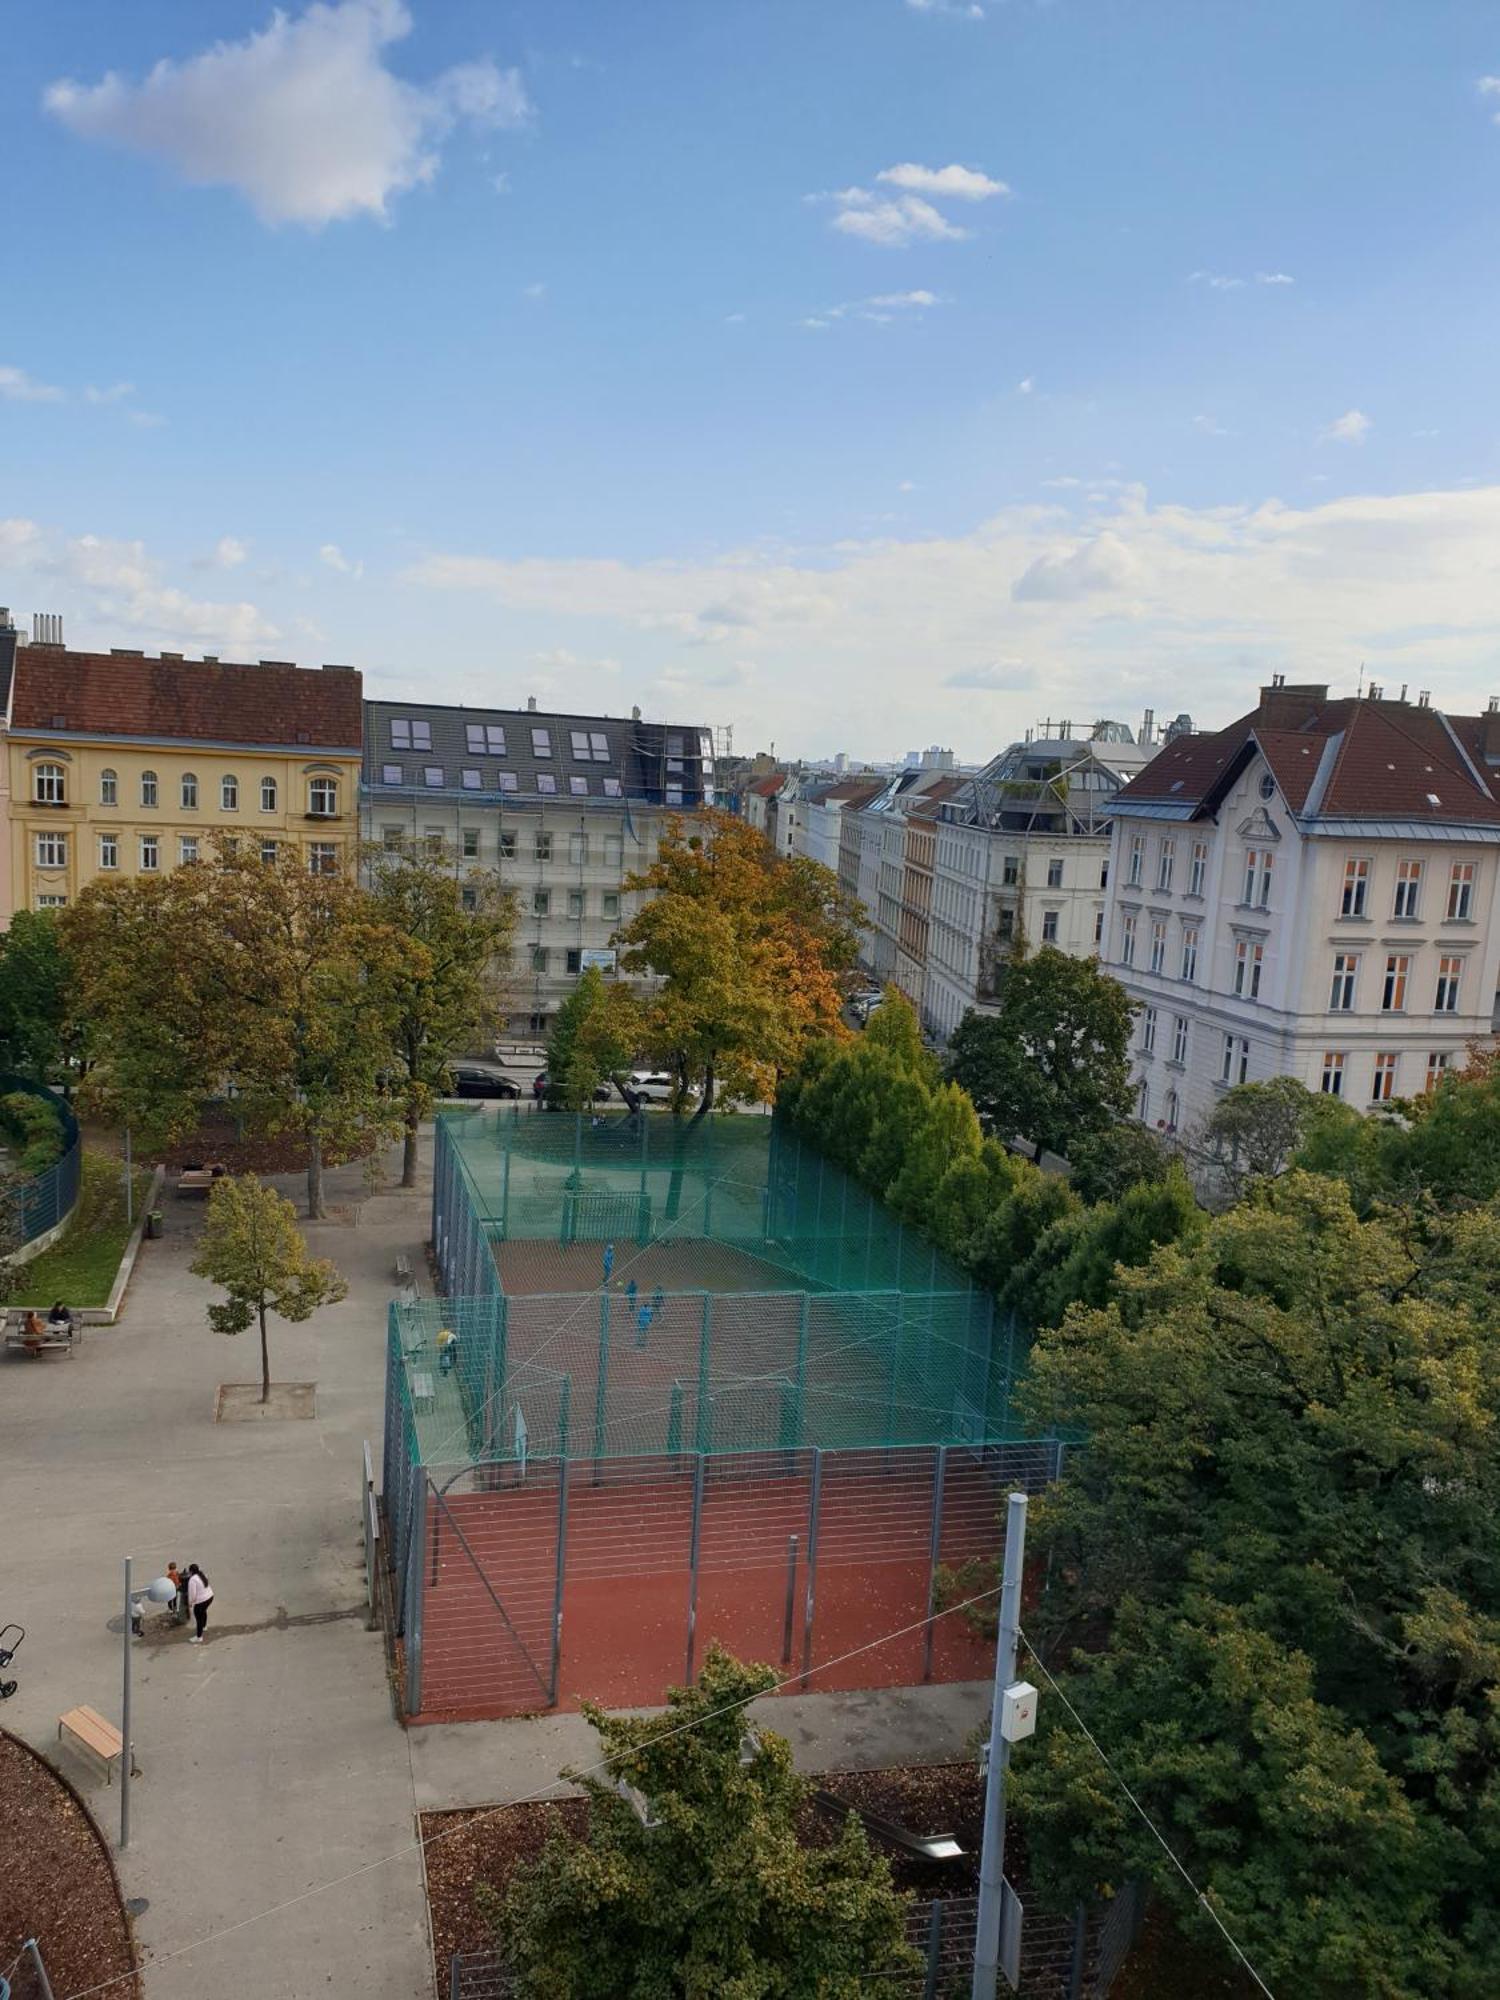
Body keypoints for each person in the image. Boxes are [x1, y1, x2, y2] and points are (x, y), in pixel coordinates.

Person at [186, 1564, 214, 1644]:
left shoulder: (192, 1580)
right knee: (203, 1611)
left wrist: (190, 1603)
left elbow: (192, 1594)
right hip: (210, 1597)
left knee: (199, 1618)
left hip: (202, 1600)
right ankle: (204, 1627)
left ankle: (199, 1637)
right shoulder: (202, 1574)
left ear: (190, 1571)